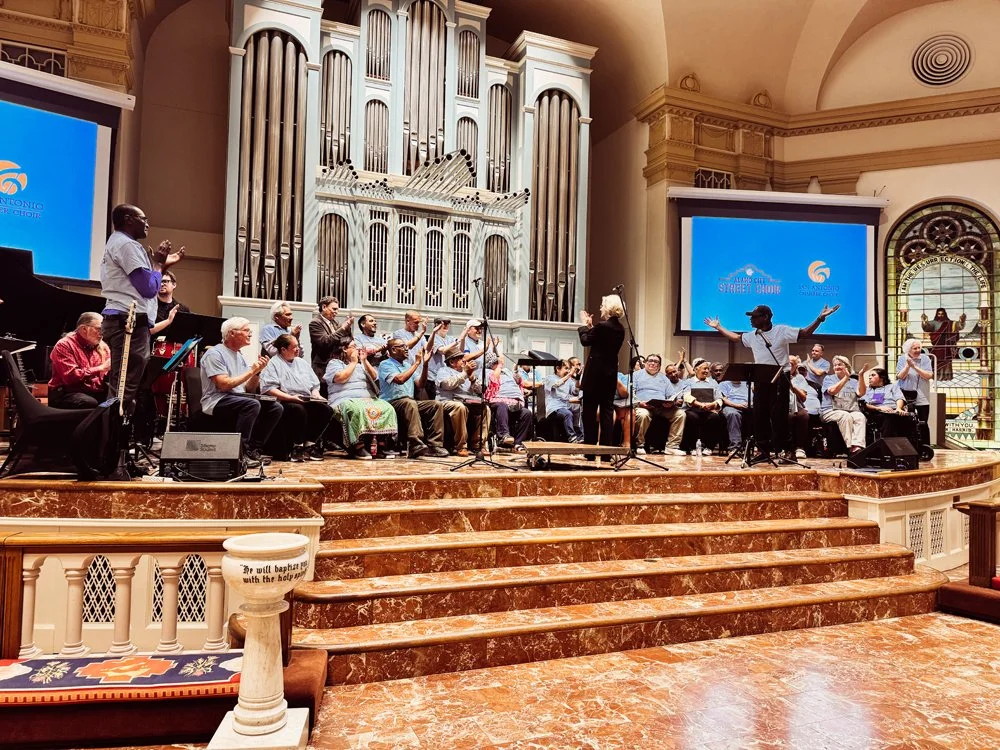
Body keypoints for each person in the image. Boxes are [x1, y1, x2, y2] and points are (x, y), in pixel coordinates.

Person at [704, 303, 839, 459]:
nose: (751, 320)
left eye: (754, 317)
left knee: (779, 415)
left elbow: (804, 333)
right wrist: (719, 327)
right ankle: (763, 450)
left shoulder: (781, 331)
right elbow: (736, 338)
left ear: (765, 317)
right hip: (761, 377)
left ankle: (787, 451)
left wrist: (820, 319)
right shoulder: (753, 336)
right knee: (760, 415)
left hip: (780, 376)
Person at [100, 203, 184, 409]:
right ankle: (112, 429)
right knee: (124, 389)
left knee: (123, 387)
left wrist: (161, 266)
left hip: (123, 319)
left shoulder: (119, 242)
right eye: (143, 219)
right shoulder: (127, 245)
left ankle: (114, 427)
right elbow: (148, 288)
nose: (147, 224)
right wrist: (158, 265)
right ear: (128, 219)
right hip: (128, 322)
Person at [200, 317, 283, 467]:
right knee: (252, 404)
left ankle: (254, 449)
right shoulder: (214, 353)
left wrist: (257, 373)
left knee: (275, 407)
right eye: (246, 330)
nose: (250, 334)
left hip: (238, 397)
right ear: (232, 333)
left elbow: (248, 389)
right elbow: (223, 385)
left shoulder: (239, 355)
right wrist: (251, 371)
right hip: (217, 400)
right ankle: (241, 453)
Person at [259, 333, 334, 461]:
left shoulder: (302, 362)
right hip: (285, 399)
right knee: (298, 409)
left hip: (305, 398)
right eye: (294, 347)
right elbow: (269, 389)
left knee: (326, 410)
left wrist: (316, 394)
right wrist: (290, 397)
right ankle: (297, 446)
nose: (298, 349)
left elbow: (314, 385)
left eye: (298, 346)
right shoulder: (274, 363)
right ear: (283, 349)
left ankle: (309, 445)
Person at [324, 336, 398, 460]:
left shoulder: (361, 365)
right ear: (344, 349)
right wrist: (353, 362)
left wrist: (364, 361)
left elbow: (374, 377)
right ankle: (357, 446)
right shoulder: (334, 363)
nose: (357, 349)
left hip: (367, 399)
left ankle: (381, 446)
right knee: (356, 408)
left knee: (387, 407)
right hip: (344, 400)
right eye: (353, 346)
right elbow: (340, 378)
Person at [378, 337, 449, 458]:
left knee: (435, 405)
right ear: (394, 350)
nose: (407, 349)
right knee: (409, 403)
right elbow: (399, 379)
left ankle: (434, 445)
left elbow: (420, 385)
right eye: (403, 346)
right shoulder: (385, 364)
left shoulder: (407, 365)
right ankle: (415, 444)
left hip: (408, 402)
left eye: (406, 346)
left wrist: (425, 365)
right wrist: (416, 363)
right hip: (392, 402)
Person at [577, 294, 626, 449]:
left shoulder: (602, 326)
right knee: (607, 412)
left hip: (594, 375)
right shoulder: (620, 328)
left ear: (609, 308)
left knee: (589, 413)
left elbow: (585, 341)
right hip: (609, 375)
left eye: (602, 305)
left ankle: (590, 450)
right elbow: (600, 340)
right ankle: (606, 450)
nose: (600, 308)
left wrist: (584, 325)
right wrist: (591, 327)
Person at [47, 312, 111, 409]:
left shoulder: (103, 347)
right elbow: (70, 377)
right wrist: (100, 368)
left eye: (104, 329)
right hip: (65, 393)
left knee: (120, 400)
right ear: (84, 329)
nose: (102, 333)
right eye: (99, 329)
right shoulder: (64, 344)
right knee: (89, 402)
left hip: (93, 392)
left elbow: (107, 375)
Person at [434, 345, 486, 456]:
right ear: (452, 362)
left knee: (485, 408)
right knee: (459, 407)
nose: (464, 361)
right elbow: (448, 385)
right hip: (448, 401)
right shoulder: (443, 370)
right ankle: (461, 446)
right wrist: (465, 374)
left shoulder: (467, 372)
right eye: (461, 359)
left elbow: (479, 391)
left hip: (467, 401)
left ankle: (478, 445)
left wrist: (472, 379)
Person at [632, 354, 685, 455]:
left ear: (659, 366)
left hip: (661, 407)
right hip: (642, 406)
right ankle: (639, 445)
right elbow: (631, 392)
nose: (652, 363)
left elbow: (671, 395)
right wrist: (639, 403)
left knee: (680, 414)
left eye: (656, 362)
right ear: (645, 363)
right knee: (643, 414)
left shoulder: (664, 378)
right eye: (650, 360)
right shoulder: (636, 375)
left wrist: (671, 402)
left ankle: (672, 446)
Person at [820, 355, 869, 455]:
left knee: (860, 416)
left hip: (851, 410)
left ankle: (857, 447)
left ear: (847, 366)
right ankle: (850, 448)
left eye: (840, 365)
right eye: (835, 365)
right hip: (829, 411)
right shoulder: (828, 378)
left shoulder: (854, 381)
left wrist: (861, 375)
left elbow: (861, 393)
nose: (837, 367)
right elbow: (833, 391)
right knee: (845, 416)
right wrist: (846, 377)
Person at [680, 360, 725, 456]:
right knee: (692, 417)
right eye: (704, 368)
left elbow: (720, 399)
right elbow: (686, 396)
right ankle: (692, 447)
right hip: (693, 409)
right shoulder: (689, 382)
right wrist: (701, 404)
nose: (707, 371)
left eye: (708, 369)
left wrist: (713, 404)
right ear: (696, 369)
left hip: (709, 409)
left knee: (715, 417)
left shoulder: (713, 382)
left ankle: (709, 447)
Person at [309, 296, 353, 379]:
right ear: (324, 307)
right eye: (334, 309)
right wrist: (343, 328)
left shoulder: (335, 322)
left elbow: (345, 341)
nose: (336, 312)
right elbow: (325, 342)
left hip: (337, 365)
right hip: (322, 367)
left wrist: (348, 328)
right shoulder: (315, 323)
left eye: (337, 310)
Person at [860, 367, 910, 440]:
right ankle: (886, 443)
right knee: (889, 418)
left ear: (882, 378)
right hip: (877, 412)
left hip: (894, 410)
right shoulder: (868, 390)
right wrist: (879, 408)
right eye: (869, 376)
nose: (870, 377)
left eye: (873, 375)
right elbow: (865, 404)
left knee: (906, 417)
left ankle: (906, 444)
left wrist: (898, 408)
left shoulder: (892, 386)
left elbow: (899, 398)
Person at [544, 359, 584, 442]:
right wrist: (570, 374)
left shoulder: (569, 380)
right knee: (568, 414)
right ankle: (572, 437)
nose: (568, 371)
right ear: (558, 369)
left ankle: (581, 437)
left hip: (566, 406)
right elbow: (557, 384)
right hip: (554, 408)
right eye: (566, 368)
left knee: (579, 410)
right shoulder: (549, 378)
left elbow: (575, 392)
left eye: (569, 369)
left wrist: (577, 379)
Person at [921, 308, 966, 381]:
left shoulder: (950, 323)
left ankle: (947, 377)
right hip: (937, 346)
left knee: (946, 362)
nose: (940, 315)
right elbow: (926, 328)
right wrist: (924, 321)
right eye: (939, 314)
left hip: (947, 347)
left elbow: (958, 326)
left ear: (945, 314)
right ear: (936, 314)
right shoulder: (933, 323)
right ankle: (936, 377)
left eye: (942, 314)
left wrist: (962, 321)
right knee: (936, 361)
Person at [788, 355, 820, 459]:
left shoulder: (799, 378)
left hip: (796, 405)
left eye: (792, 364)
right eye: (787, 363)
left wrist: (792, 386)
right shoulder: (777, 375)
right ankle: (785, 448)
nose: (789, 366)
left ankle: (799, 448)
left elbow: (803, 397)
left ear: (795, 367)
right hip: (780, 405)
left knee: (803, 415)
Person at [896, 338, 934, 424]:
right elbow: (900, 376)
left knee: (923, 422)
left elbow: (928, 376)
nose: (918, 350)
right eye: (915, 348)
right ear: (908, 350)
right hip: (906, 396)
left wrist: (914, 367)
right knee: (907, 423)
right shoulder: (902, 358)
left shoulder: (925, 358)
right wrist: (907, 366)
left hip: (922, 395)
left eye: (919, 348)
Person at [152, 270, 190, 335]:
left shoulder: (183, 309)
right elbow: (145, 331)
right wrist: (168, 321)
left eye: (165, 281)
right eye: (159, 282)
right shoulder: (150, 306)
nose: (161, 284)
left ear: (174, 285)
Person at [718, 374, 750, 451]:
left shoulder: (747, 384)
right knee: (733, 414)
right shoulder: (723, 384)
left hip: (747, 407)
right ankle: (735, 447)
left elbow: (752, 397)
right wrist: (737, 405)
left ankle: (760, 446)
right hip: (731, 406)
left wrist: (749, 403)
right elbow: (724, 400)